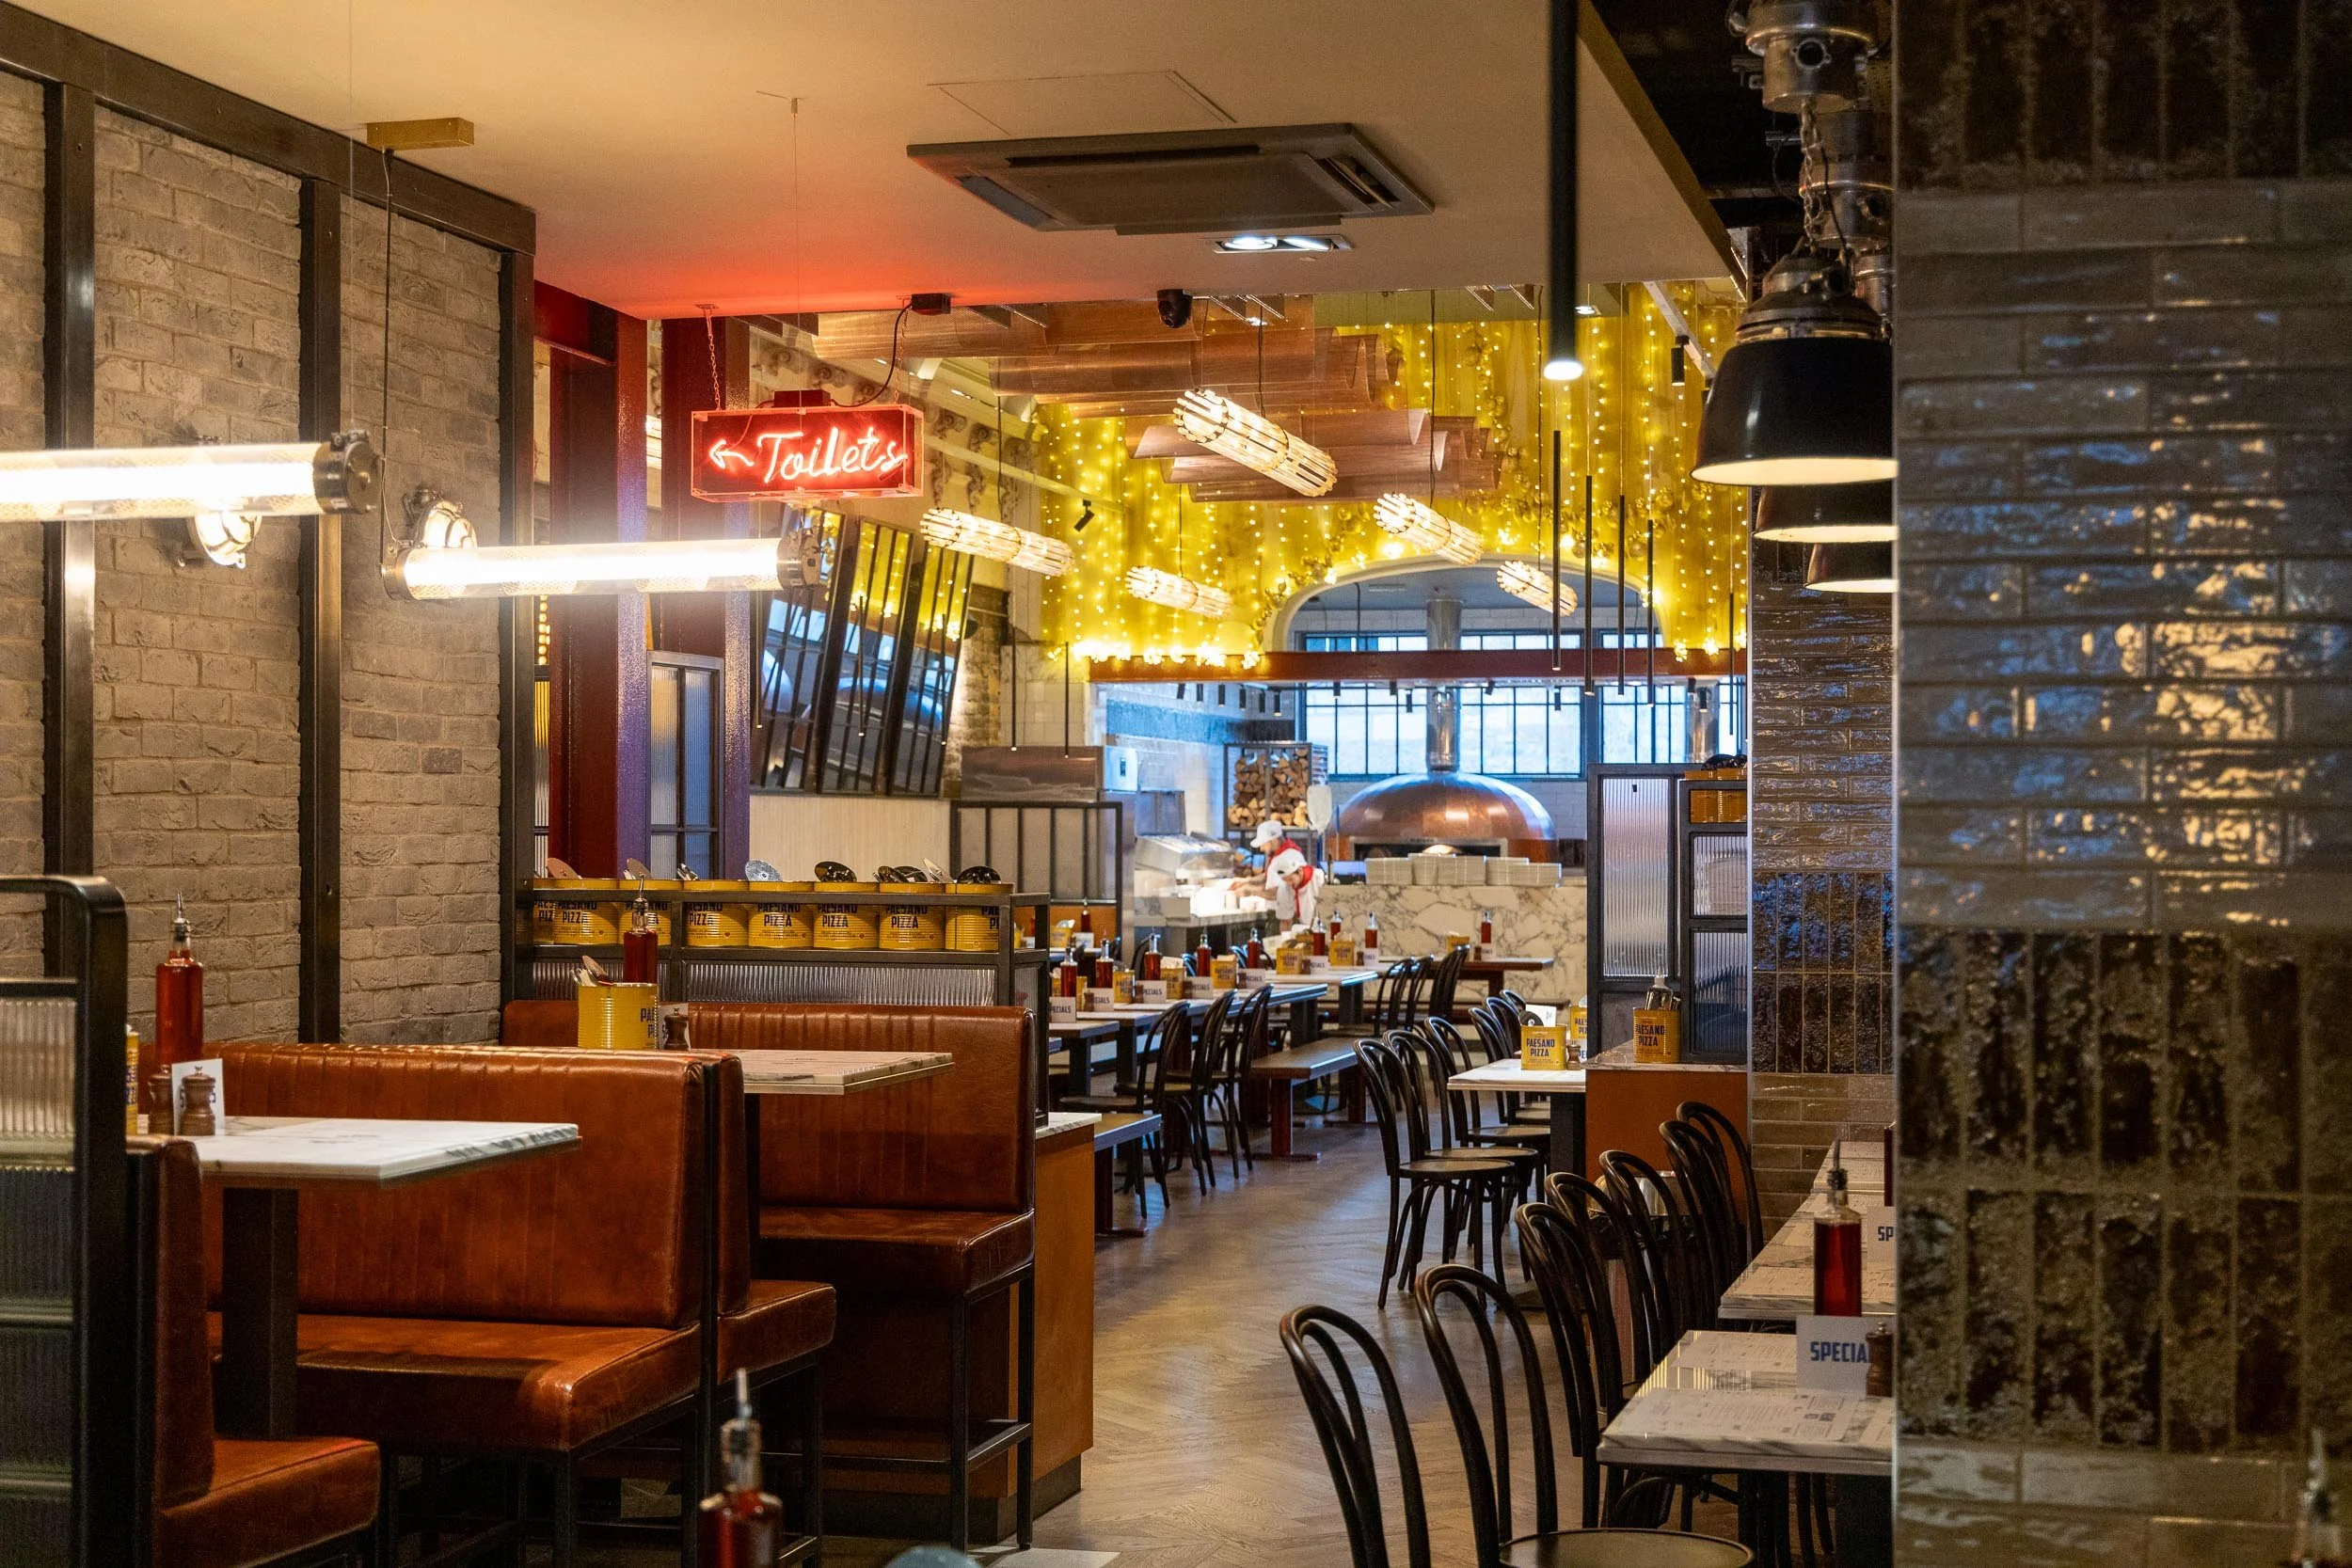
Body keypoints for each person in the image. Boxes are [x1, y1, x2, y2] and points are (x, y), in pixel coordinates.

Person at [1251, 818, 1319, 932]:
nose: (1261, 849)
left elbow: (1278, 892)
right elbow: (1267, 877)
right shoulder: (1278, 857)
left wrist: (1251, 891)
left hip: (1289, 915)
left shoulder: (1291, 857)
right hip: (1280, 913)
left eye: (1263, 844)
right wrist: (1247, 881)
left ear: (1273, 840)